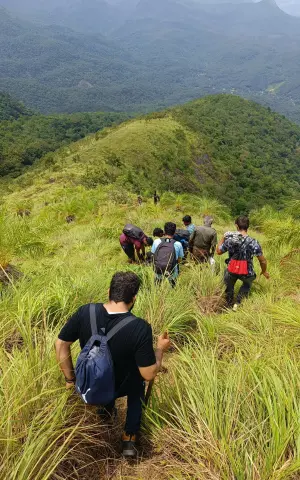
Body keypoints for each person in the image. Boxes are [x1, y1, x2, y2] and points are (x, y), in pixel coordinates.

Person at [55, 272, 171, 458]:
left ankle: (104, 417)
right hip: (122, 385)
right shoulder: (140, 327)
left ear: (108, 291)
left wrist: (70, 379)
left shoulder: (85, 312)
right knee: (138, 384)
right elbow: (149, 374)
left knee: (106, 376)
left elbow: (61, 344)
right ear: (134, 299)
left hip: (92, 383)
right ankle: (129, 437)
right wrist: (160, 349)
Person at [217, 216, 270, 311]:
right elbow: (263, 260)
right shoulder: (254, 242)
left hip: (232, 269)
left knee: (229, 283)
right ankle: (238, 303)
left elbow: (219, 251)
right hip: (246, 271)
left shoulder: (230, 240)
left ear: (236, 226)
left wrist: (223, 237)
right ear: (247, 227)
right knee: (247, 284)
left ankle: (228, 302)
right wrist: (264, 271)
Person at [151, 222, 184, 287]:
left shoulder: (156, 241)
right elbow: (179, 260)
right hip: (172, 271)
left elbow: (153, 255)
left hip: (158, 269)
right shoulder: (178, 244)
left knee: (157, 286)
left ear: (164, 231)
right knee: (173, 286)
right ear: (174, 232)